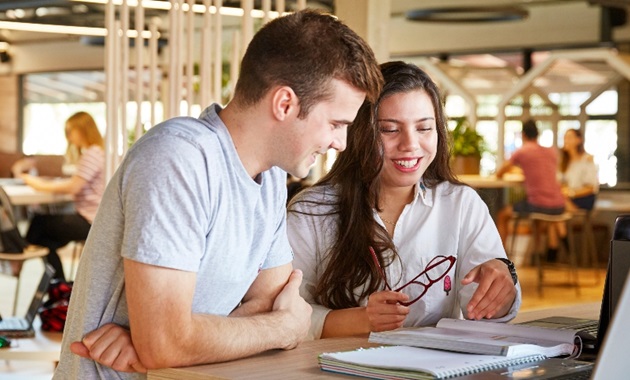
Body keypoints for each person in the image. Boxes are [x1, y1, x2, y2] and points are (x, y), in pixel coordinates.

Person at [53, 9, 382, 378]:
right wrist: (278, 328)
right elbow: (277, 322)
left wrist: (174, 341)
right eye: (336, 124)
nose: (340, 142)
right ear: (285, 103)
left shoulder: (271, 178)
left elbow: (274, 303)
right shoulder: (179, 158)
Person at [287, 61, 520, 339]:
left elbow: (482, 311)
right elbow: (285, 313)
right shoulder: (312, 211)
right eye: (389, 129)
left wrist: (500, 291)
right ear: (360, 133)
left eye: (423, 128)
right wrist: (362, 320)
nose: (410, 144)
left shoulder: (461, 204)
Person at [17, 111, 105, 281]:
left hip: (90, 221)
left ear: (82, 129)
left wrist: (37, 184)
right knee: (45, 243)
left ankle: (18, 259)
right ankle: (59, 288)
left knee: (39, 223)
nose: (69, 137)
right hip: (91, 218)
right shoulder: (96, 152)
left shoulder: (93, 153)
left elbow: (73, 187)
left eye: (70, 132)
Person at [496, 120, 566, 261]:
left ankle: (501, 258)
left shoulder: (522, 151)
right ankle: (537, 258)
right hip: (559, 206)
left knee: (502, 215)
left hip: (538, 204)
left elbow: (500, 173)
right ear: (537, 134)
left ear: (523, 135)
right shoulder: (551, 152)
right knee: (536, 220)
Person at [560, 128, 599, 212]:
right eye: (565, 138)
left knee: (557, 204)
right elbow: (561, 182)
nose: (566, 140)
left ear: (578, 140)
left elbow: (591, 188)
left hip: (583, 197)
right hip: (568, 197)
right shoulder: (564, 161)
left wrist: (571, 193)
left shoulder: (587, 159)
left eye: (569, 138)